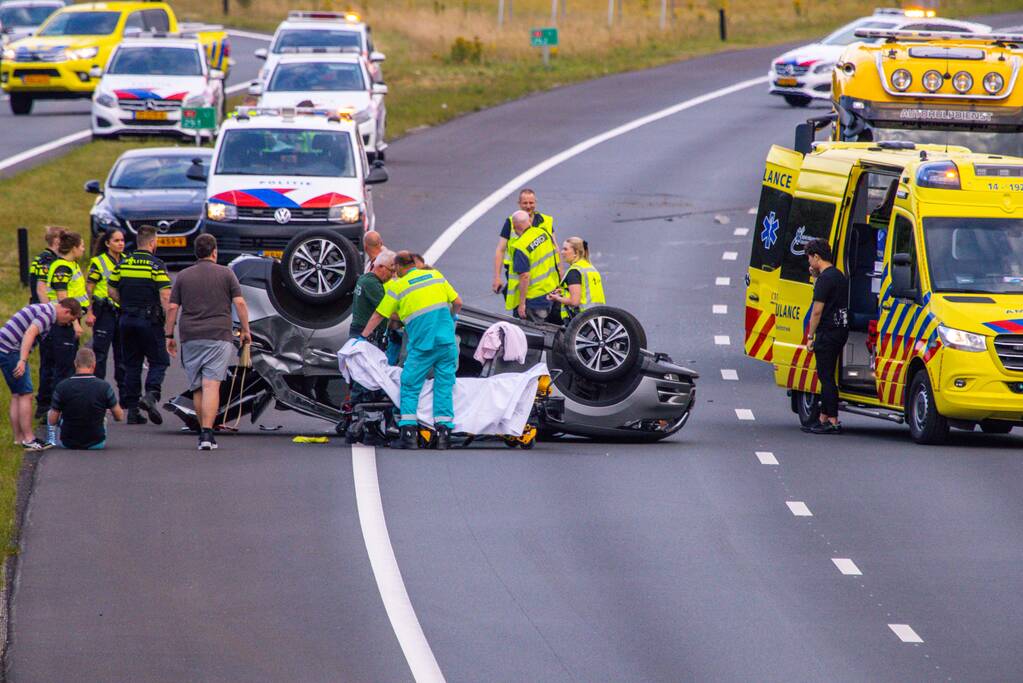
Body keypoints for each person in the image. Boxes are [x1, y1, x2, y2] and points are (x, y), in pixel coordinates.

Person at [359, 251, 462, 450]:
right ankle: (443, 435)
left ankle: (409, 435)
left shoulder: (399, 286)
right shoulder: (435, 275)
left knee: (409, 385)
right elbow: (458, 303)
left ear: (398, 267)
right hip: (447, 343)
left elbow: (379, 315)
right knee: (444, 386)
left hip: (423, 345)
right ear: (414, 263)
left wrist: (363, 336)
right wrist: (450, 319)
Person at [165, 234, 252, 451]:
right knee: (211, 384)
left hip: (190, 336)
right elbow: (240, 303)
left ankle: (201, 432)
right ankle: (207, 434)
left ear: (196, 252)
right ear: (214, 252)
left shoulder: (183, 276)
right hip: (218, 335)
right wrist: (245, 330)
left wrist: (169, 335)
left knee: (197, 387)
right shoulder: (226, 273)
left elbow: (173, 307)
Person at [109, 225, 171, 426]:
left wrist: (125, 304)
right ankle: (151, 395)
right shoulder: (156, 265)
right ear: (152, 242)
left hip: (126, 319)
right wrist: (168, 321)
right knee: (159, 361)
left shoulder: (123, 264)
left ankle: (133, 411)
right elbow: (165, 295)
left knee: (132, 364)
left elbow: (111, 289)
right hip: (149, 320)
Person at [0, 299, 80, 450]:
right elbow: (30, 333)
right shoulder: (48, 314)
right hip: (11, 350)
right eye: (70, 320)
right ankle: (29, 439)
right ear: (66, 311)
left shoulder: (46, 308)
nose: (68, 324)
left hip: (5, 347)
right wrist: (22, 360)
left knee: (17, 394)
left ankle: (19, 439)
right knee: (26, 394)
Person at [803, 238, 849, 435]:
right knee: (828, 373)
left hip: (827, 332)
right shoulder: (838, 276)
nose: (808, 262)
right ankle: (823, 417)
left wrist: (810, 336)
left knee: (826, 377)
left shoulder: (825, 279)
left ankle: (832, 420)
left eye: (809, 258)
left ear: (816, 257)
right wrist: (816, 277)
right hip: (840, 330)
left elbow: (817, 311)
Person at [47, 348, 124, 450]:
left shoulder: (62, 386)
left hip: (68, 443)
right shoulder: (104, 387)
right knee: (103, 418)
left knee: (53, 412)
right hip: (97, 443)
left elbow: (52, 420)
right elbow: (119, 417)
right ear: (94, 364)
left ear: (75, 364)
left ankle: (51, 439)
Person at [348, 249, 396, 407]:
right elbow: (385, 310)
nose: (392, 275)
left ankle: (355, 408)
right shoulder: (372, 284)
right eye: (391, 271)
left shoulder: (364, 279)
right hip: (367, 335)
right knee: (366, 376)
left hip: (359, 331)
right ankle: (360, 409)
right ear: (381, 266)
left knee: (361, 373)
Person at [29, 225, 65, 419]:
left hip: (39, 311)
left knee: (48, 360)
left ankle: (45, 404)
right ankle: (44, 405)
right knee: (49, 360)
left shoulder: (40, 258)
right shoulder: (48, 261)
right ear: (57, 241)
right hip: (46, 314)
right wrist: (51, 312)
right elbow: (41, 289)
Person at [86, 228, 126, 399]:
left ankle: (125, 399)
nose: (121, 244)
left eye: (122, 240)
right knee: (100, 355)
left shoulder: (126, 260)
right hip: (104, 312)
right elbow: (89, 288)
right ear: (107, 243)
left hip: (122, 313)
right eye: (116, 240)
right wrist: (89, 312)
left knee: (122, 356)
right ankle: (99, 395)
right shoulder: (98, 262)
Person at [45, 231, 88, 388]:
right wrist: (75, 323)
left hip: (70, 319)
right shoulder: (62, 267)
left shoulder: (71, 265)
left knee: (69, 365)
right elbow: (63, 298)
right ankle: (58, 401)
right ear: (73, 248)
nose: (83, 249)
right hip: (63, 322)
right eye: (81, 246)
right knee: (63, 368)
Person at [492, 188, 555, 295]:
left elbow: (555, 248)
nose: (528, 206)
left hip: (541, 275)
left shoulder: (545, 221)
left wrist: (560, 273)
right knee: (518, 303)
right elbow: (500, 250)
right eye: (525, 203)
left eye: (531, 203)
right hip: (518, 272)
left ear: (535, 202)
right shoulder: (511, 222)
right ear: (519, 204)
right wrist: (497, 277)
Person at [507, 210, 560, 322]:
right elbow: (555, 257)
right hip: (551, 292)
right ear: (529, 222)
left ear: (514, 226)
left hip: (534, 300)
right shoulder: (543, 233)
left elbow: (524, 276)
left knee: (532, 331)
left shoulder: (521, 246)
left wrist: (522, 304)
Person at [547, 237, 606, 323]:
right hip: (597, 316)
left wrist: (557, 298)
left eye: (565, 249)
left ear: (576, 253)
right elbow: (586, 291)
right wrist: (564, 291)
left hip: (581, 319)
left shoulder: (574, 271)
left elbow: (574, 301)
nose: (562, 252)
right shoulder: (590, 268)